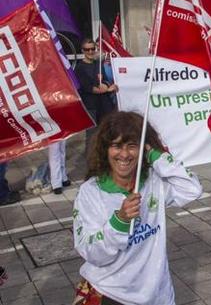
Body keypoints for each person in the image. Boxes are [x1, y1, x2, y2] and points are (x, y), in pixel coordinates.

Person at [72, 111, 202, 305]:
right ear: (105, 149)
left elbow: (192, 189)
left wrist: (155, 153)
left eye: (132, 146)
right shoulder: (90, 192)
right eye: (116, 146)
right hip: (110, 293)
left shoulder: (153, 181)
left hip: (157, 295)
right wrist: (120, 221)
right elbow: (93, 253)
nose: (124, 154)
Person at [75, 38, 117, 157]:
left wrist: (108, 85)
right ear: (82, 50)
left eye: (92, 49)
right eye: (87, 49)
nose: (90, 51)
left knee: (107, 134)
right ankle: (91, 166)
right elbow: (88, 87)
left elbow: (105, 80)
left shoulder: (98, 64)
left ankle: (105, 161)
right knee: (92, 136)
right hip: (91, 106)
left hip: (104, 105)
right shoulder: (80, 68)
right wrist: (107, 89)